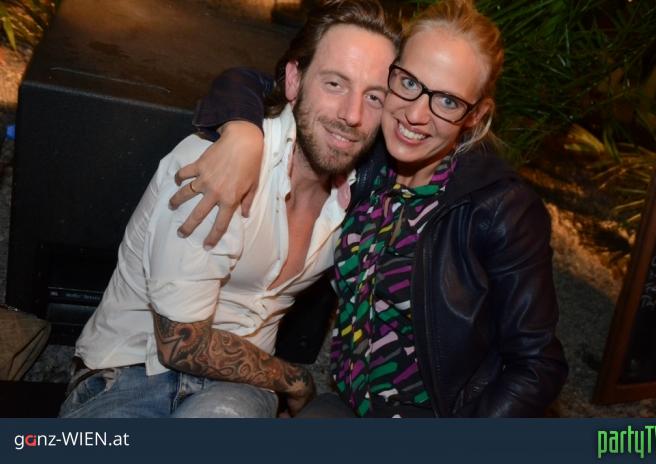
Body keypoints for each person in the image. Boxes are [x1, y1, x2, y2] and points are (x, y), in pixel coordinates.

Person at [171, 0, 568, 417]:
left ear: (476, 114)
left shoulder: (501, 209)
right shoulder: (369, 158)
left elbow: (539, 365)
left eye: (448, 102)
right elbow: (257, 81)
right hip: (349, 406)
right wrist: (242, 132)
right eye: (409, 82)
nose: (416, 115)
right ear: (390, 74)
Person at [58, 0, 401, 418]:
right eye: (334, 84)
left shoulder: (363, 193)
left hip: (238, 390)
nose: (352, 115)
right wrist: (295, 379)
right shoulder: (216, 166)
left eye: (374, 97)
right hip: (130, 370)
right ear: (295, 80)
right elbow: (179, 343)